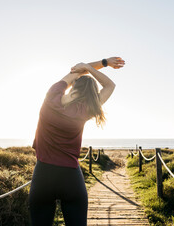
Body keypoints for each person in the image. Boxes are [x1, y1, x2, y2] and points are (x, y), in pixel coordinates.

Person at [28, 57, 125, 226]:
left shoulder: (52, 96)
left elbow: (75, 71)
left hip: (43, 176)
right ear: (90, 96)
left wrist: (101, 63)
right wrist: (93, 66)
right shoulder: (86, 109)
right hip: (71, 179)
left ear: (73, 86)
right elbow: (110, 86)